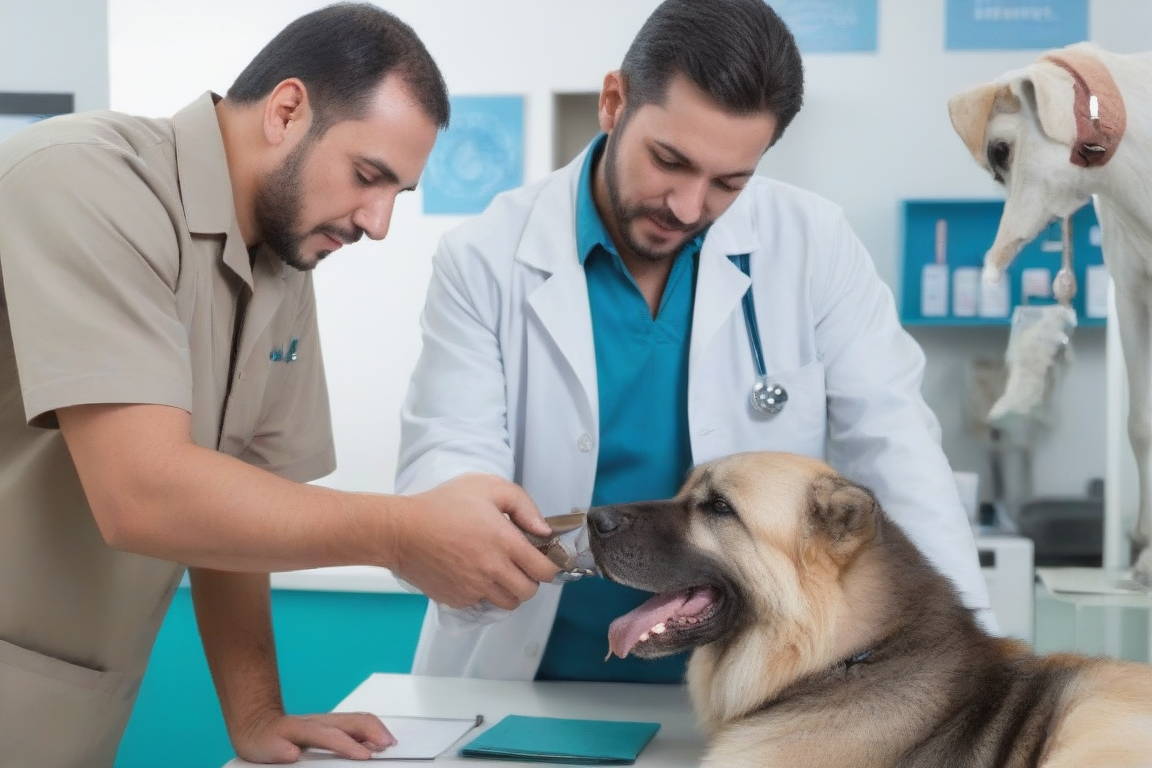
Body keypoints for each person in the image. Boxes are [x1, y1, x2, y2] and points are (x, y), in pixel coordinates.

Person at [0, 5, 559, 766]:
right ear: (287, 111)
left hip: (66, 715)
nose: (379, 222)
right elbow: (143, 492)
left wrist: (259, 713)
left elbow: (241, 503)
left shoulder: (282, 262)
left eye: (399, 192)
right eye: (369, 176)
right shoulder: (85, 178)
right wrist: (398, 530)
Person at [396, 0, 995, 683]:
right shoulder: (484, 258)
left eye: (728, 182)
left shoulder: (812, 245)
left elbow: (898, 454)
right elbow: (449, 459)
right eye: (669, 161)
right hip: (531, 678)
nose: (687, 206)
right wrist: (462, 519)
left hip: (755, 688)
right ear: (614, 102)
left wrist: (967, 667)